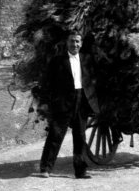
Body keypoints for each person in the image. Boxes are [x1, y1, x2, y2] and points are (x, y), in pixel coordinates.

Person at [37, 30, 97, 179]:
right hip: (63, 102)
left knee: (80, 137)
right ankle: (45, 168)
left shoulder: (87, 59)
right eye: (72, 41)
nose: (74, 44)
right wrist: (46, 102)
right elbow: (47, 83)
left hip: (81, 100)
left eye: (77, 41)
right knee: (56, 134)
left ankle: (80, 171)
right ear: (66, 43)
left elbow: (92, 81)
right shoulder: (57, 61)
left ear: (81, 44)